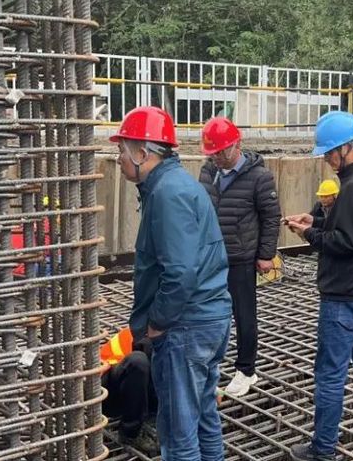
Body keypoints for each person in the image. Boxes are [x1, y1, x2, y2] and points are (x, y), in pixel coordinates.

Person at [110, 106, 232, 461]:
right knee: (204, 415)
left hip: (186, 326)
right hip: (206, 318)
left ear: (142, 153)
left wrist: (158, 322)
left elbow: (179, 272)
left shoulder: (167, 193)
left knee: (178, 434)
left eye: (122, 150)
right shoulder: (174, 185)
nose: (119, 159)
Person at [283, 111, 353, 461]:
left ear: (346, 148)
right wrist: (316, 220)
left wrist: (309, 233)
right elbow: (352, 228)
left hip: (343, 297)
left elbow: (348, 241)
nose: (327, 160)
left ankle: (324, 447)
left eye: (329, 153)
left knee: (329, 374)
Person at [198, 116, 282, 397]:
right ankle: (211, 363)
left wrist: (266, 254)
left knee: (244, 315)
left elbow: (271, 217)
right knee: (210, 312)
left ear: (236, 145)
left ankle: (246, 369)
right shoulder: (208, 171)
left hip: (241, 257)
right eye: (213, 153)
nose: (217, 158)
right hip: (212, 256)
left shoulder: (259, 177)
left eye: (221, 152)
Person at [100, 328, 160, 456]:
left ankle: (153, 419)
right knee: (138, 361)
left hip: (143, 391)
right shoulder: (144, 335)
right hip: (110, 392)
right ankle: (131, 433)